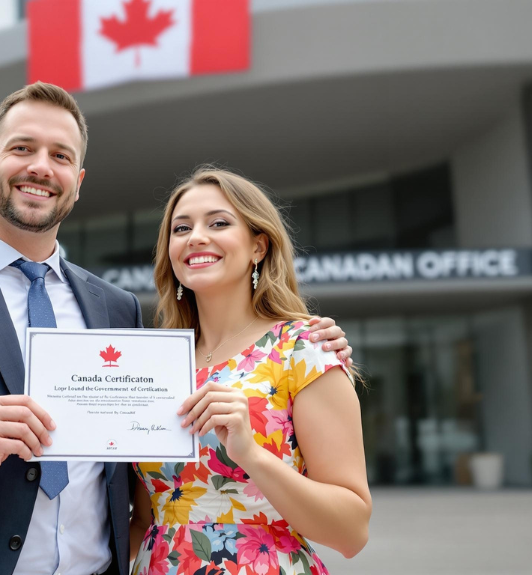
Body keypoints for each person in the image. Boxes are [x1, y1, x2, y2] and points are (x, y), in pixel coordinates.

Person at [0, 83, 353, 575]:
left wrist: (305, 347)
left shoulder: (117, 310)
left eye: (60, 156)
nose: (41, 167)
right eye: (22, 148)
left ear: (78, 180)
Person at [128, 168, 371, 575]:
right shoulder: (157, 362)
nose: (196, 237)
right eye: (181, 228)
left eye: (219, 223)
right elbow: (142, 518)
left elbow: (352, 532)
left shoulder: (304, 349)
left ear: (259, 246)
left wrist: (251, 454)